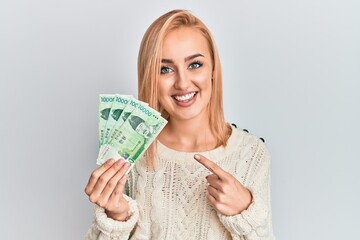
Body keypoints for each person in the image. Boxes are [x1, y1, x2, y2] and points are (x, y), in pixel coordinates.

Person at [85, 9, 275, 240]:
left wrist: (245, 213)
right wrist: (116, 218)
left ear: (213, 69)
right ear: (150, 77)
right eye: (165, 69)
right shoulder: (130, 154)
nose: (183, 83)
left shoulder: (251, 154)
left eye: (195, 64)